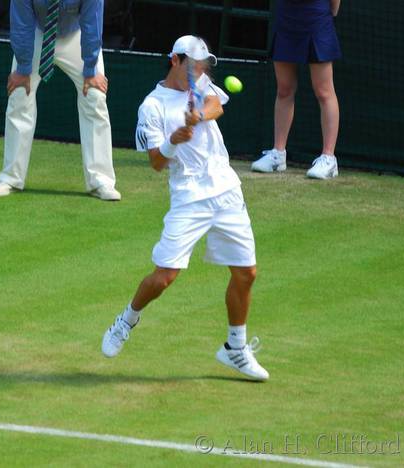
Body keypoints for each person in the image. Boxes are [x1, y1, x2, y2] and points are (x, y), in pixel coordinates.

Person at [100, 35, 269, 381]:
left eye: (203, 64)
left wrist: (198, 116)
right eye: (194, 64)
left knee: (246, 272)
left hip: (225, 187)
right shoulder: (152, 106)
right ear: (174, 61)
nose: (200, 69)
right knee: (164, 277)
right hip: (189, 194)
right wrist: (173, 139)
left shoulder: (202, 83)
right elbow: (156, 163)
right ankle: (127, 319)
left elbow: (216, 105)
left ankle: (235, 348)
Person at [0, 0, 121, 201]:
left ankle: (100, 181)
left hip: (77, 35)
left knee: (94, 95)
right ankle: (10, 178)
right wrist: (23, 68)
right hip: (36, 32)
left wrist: (91, 67)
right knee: (19, 94)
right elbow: (21, 23)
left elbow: (92, 22)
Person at [252, 0, 341, 179]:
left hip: (317, 16)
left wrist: (330, 11)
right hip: (287, 16)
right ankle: (278, 154)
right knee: (284, 90)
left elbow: (335, 6)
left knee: (324, 92)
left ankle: (329, 158)